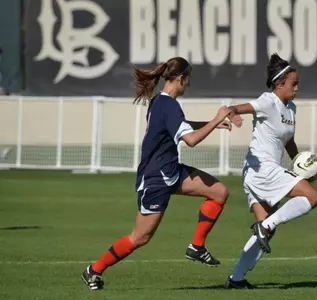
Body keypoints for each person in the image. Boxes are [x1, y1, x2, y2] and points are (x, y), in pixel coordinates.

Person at [81, 57, 233, 291]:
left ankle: (197, 246)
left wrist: (210, 123)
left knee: (219, 192)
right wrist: (215, 119)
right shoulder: (169, 105)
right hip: (156, 179)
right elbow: (190, 140)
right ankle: (94, 270)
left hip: (171, 170)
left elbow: (177, 126)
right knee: (140, 237)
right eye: (188, 79)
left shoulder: (160, 103)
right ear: (181, 78)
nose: (189, 85)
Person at [222, 53, 317, 289]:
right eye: (293, 84)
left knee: (267, 230)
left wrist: (299, 163)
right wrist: (233, 114)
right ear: (279, 84)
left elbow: (288, 141)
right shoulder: (268, 101)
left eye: (298, 84)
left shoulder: (291, 108)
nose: (297, 88)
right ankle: (264, 226)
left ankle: (236, 279)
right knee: (313, 197)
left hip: (259, 172)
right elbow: (234, 108)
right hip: (261, 169)